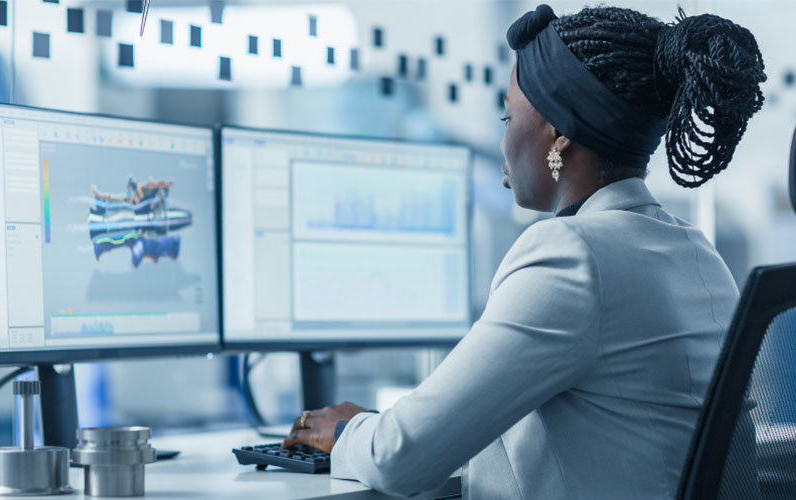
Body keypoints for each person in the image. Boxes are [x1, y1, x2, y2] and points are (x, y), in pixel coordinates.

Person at [283, 4, 767, 499]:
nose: (502, 140)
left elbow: (400, 458)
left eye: (508, 115)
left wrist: (348, 433)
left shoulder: (573, 255)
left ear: (558, 134)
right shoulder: (697, 252)